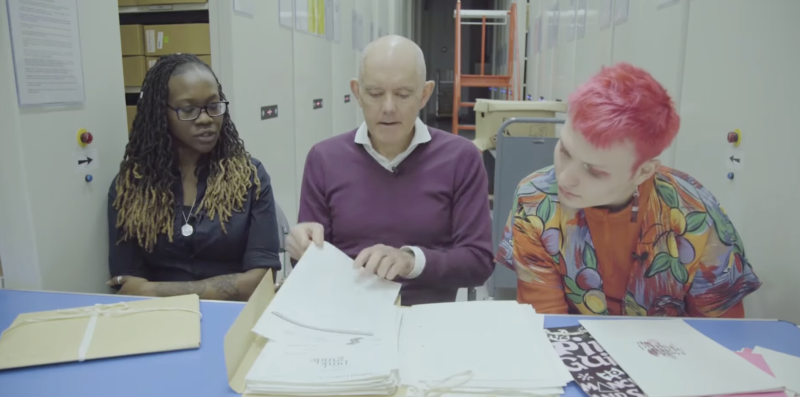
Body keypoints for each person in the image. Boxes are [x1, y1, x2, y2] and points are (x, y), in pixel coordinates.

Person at [496, 63, 761, 317]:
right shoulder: (536, 200)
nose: (564, 177)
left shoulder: (695, 214)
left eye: (594, 170)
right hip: (571, 352)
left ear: (644, 172)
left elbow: (721, 331)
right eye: (564, 151)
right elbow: (545, 322)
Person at [286, 35, 493, 305]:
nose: (388, 108)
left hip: (426, 318)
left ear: (425, 94)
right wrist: (299, 248)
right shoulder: (324, 159)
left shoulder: (460, 159)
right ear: (357, 92)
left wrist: (410, 261)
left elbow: (478, 261)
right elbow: (309, 261)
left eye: (403, 94)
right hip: (344, 315)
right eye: (374, 93)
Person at [107, 53, 281, 301]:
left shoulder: (249, 178)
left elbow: (261, 281)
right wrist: (228, 285)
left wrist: (153, 289)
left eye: (213, 106)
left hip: (234, 315)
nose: (205, 119)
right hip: (159, 319)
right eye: (188, 109)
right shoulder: (132, 186)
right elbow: (127, 286)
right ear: (160, 113)